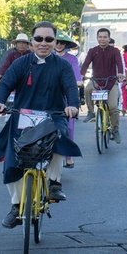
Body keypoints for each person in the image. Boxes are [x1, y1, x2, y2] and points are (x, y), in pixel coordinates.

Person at [0, 20, 81, 229]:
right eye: (39, 39)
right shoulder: (21, 63)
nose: (44, 43)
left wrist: (73, 106)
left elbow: (70, 88)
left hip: (53, 116)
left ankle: (54, 183)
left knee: (60, 136)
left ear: (55, 41)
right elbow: (5, 84)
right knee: (12, 159)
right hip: (22, 117)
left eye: (49, 39)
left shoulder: (63, 65)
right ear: (32, 41)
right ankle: (16, 207)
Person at [80, 28, 125, 143]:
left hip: (111, 82)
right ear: (97, 38)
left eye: (105, 37)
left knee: (113, 107)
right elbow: (85, 64)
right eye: (100, 37)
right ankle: (91, 112)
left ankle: (115, 130)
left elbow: (119, 63)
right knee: (87, 89)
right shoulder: (92, 51)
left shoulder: (115, 51)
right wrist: (81, 75)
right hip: (96, 81)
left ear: (109, 38)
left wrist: (120, 73)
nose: (102, 39)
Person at [54, 30, 82, 168]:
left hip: (66, 96)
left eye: (62, 42)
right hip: (50, 95)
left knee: (69, 126)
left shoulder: (72, 59)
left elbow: (77, 75)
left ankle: (68, 156)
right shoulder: (47, 56)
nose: (59, 45)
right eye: (56, 42)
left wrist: (77, 82)